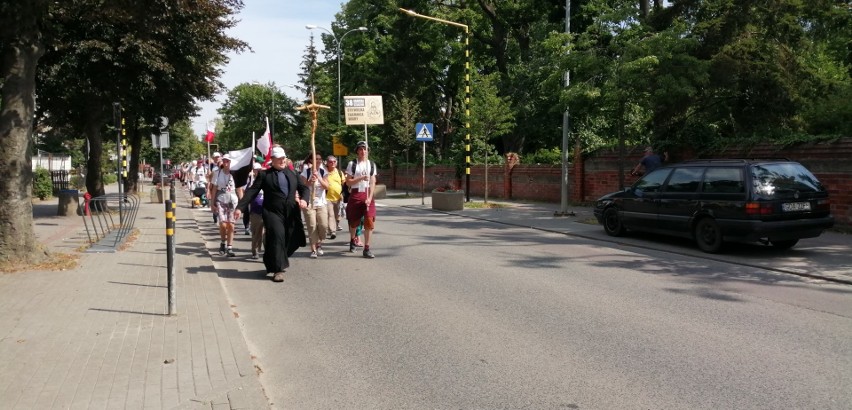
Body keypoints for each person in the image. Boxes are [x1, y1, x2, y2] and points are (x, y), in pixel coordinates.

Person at [235, 146, 309, 282]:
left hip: (290, 212)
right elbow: (252, 191)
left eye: (283, 158)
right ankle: (278, 270)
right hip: (272, 213)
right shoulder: (265, 175)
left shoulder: (293, 174)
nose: (282, 161)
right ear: (273, 160)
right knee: (277, 236)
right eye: (279, 159)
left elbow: (304, 189)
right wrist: (240, 207)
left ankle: (273, 260)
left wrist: (304, 199)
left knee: (289, 238)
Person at [344, 141, 377, 258]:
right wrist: (361, 177)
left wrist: (369, 197)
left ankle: (367, 248)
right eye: (360, 149)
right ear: (357, 151)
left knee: (369, 221)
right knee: (354, 222)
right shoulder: (352, 164)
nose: (363, 151)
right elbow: (348, 181)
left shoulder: (371, 164)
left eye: (365, 149)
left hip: (368, 194)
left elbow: (373, 182)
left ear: (368, 151)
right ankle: (353, 239)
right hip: (356, 194)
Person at [209, 153, 240, 257]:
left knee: (231, 224)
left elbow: (239, 190)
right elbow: (213, 190)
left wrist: (241, 206)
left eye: (228, 161)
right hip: (221, 200)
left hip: (232, 200)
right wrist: (212, 203)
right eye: (225, 160)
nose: (226, 162)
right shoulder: (218, 173)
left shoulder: (235, 174)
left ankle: (229, 247)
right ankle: (223, 243)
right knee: (223, 224)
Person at [300, 153, 329, 259]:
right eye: (316, 159)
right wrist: (309, 181)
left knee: (323, 225)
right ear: (311, 160)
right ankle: (313, 249)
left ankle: (319, 242)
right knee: (312, 226)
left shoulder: (323, 171)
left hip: (321, 203)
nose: (319, 161)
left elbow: (327, 186)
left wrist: (319, 178)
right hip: (309, 203)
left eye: (320, 159)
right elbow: (302, 187)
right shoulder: (306, 171)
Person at [324, 155, 344, 239]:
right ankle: (333, 231)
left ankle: (332, 227)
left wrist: (342, 194)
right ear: (327, 163)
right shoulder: (324, 172)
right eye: (330, 162)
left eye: (334, 162)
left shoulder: (339, 172)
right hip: (327, 197)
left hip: (338, 198)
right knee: (330, 215)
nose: (332, 163)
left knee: (336, 215)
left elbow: (343, 183)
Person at [247, 163, 265, 259]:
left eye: (259, 170)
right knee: (256, 232)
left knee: (264, 233)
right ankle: (254, 250)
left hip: (266, 209)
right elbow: (247, 194)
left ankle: (261, 250)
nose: (257, 171)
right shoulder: (250, 181)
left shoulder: (266, 180)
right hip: (255, 211)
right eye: (256, 169)